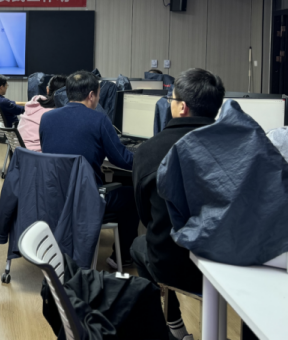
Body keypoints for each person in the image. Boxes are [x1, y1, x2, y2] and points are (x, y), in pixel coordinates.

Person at [131, 68, 225, 340]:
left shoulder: (148, 151)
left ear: (182, 107)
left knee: (139, 245)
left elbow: (146, 217)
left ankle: (171, 324)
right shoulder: (237, 147)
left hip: (176, 268)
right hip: (231, 266)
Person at [39, 70, 138, 268]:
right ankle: (123, 257)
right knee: (131, 196)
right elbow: (123, 159)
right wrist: (146, 155)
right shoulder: (99, 120)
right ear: (91, 95)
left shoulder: (47, 118)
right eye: (99, 95)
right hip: (87, 199)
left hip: (54, 197)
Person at [17, 75, 66, 151]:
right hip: (39, 155)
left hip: (20, 151)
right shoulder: (58, 113)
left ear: (47, 89)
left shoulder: (32, 104)